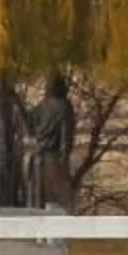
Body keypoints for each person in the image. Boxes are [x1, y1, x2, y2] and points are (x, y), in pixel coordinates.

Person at [25, 72, 77, 210]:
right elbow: (66, 134)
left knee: (38, 201)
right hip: (54, 159)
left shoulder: (43, 105)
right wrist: (64, 158)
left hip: (37, 158)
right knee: (61, 203)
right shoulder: (64, 106)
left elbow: (29, 124)